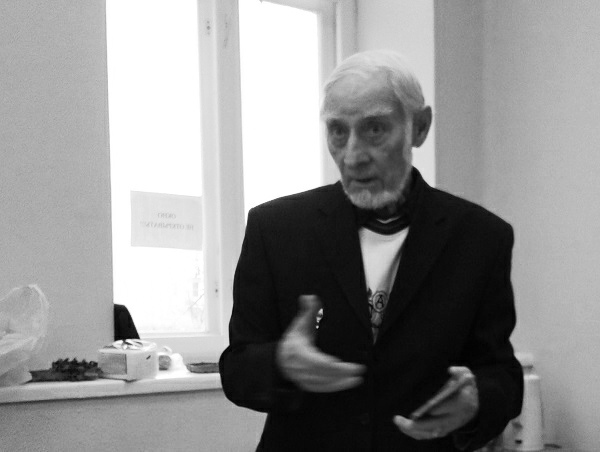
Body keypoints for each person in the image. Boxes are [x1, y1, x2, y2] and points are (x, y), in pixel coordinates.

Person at [219, 49, 523, 451]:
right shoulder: (276, 229)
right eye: (337, 131)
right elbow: (237, 368)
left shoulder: (480, 239)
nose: (353, 156)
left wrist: (477, 400)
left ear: (419, 127)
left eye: (375, 129)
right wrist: (280, 362)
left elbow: (501, 372)